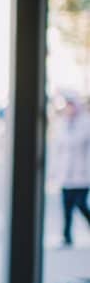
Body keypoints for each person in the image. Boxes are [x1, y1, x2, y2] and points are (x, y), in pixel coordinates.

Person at [52, 97, 90, 247]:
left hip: (82, 174)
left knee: (81, 203)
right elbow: (58, 150)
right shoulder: (61, 124)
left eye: (71, 106)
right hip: (65, 174)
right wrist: (54, 172)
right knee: (66, 206)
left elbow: (80, 143)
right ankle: (67, 237)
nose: (69, 109)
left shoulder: (86, 123)